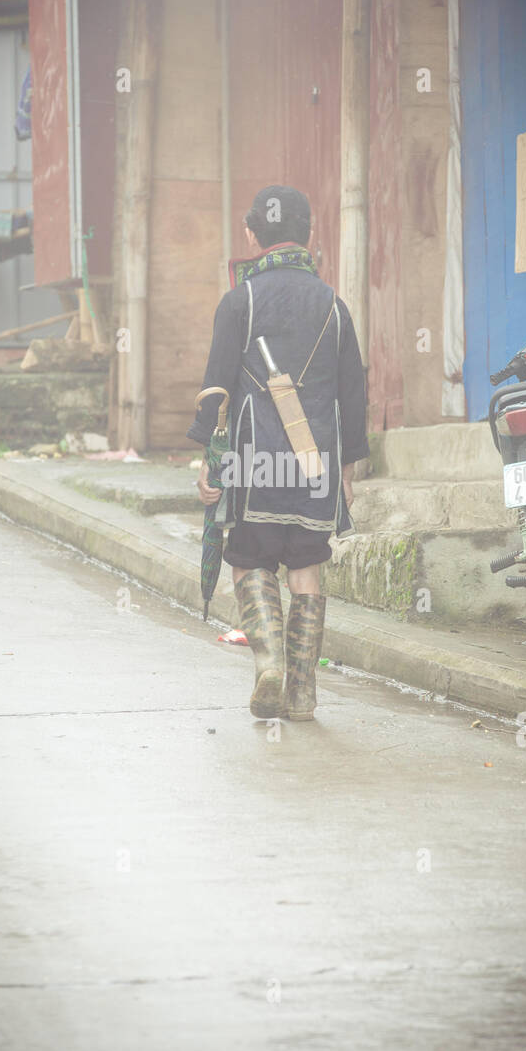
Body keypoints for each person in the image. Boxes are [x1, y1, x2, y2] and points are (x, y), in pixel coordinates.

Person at [188, 185, 369, 721]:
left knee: (248, 564)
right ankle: (304, 692)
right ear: (309, 235)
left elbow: (216, 388)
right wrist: (348, 469)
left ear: (251, 235)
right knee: (306, 569)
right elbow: (353, 396)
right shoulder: (335, 308)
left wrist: (208, 460)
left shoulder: (238, 301)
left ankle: (269, 662)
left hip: (253, 462)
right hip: (316, 465)